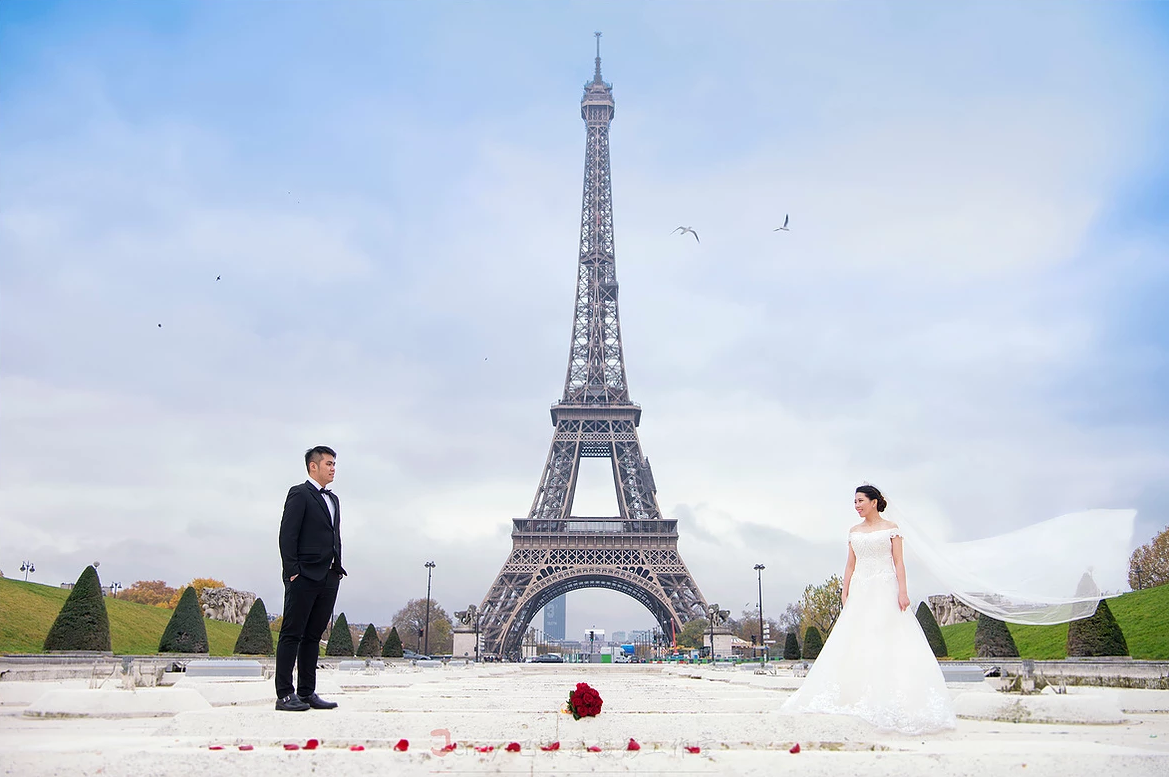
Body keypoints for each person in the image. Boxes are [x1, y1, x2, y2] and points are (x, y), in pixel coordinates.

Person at [780, 485, 957, 734]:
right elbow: (850, 564)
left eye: (860, 500)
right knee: (856, 638)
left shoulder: (891, 529)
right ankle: (854, 694)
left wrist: (903, 591)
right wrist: (845, 590)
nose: (857, 506)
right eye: (854, 502)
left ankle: (890, 694)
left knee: (887, 636)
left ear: (874, 502)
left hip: (885, 587)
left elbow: (898, 562)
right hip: (861, 589)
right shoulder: (854, 532)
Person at [274, 446, 347, 712]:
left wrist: (337, 569)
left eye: (334, 464)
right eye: (328, 463)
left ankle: (306, 692)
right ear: (313, 466)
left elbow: (333, 535)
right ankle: (284, 694)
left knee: (313, 637)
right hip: (303, 574)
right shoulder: (300, 493)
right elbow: (287, 535)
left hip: (329, 575)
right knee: (292, 634)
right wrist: (292, 570)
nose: (333, 468)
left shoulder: (334, 499)